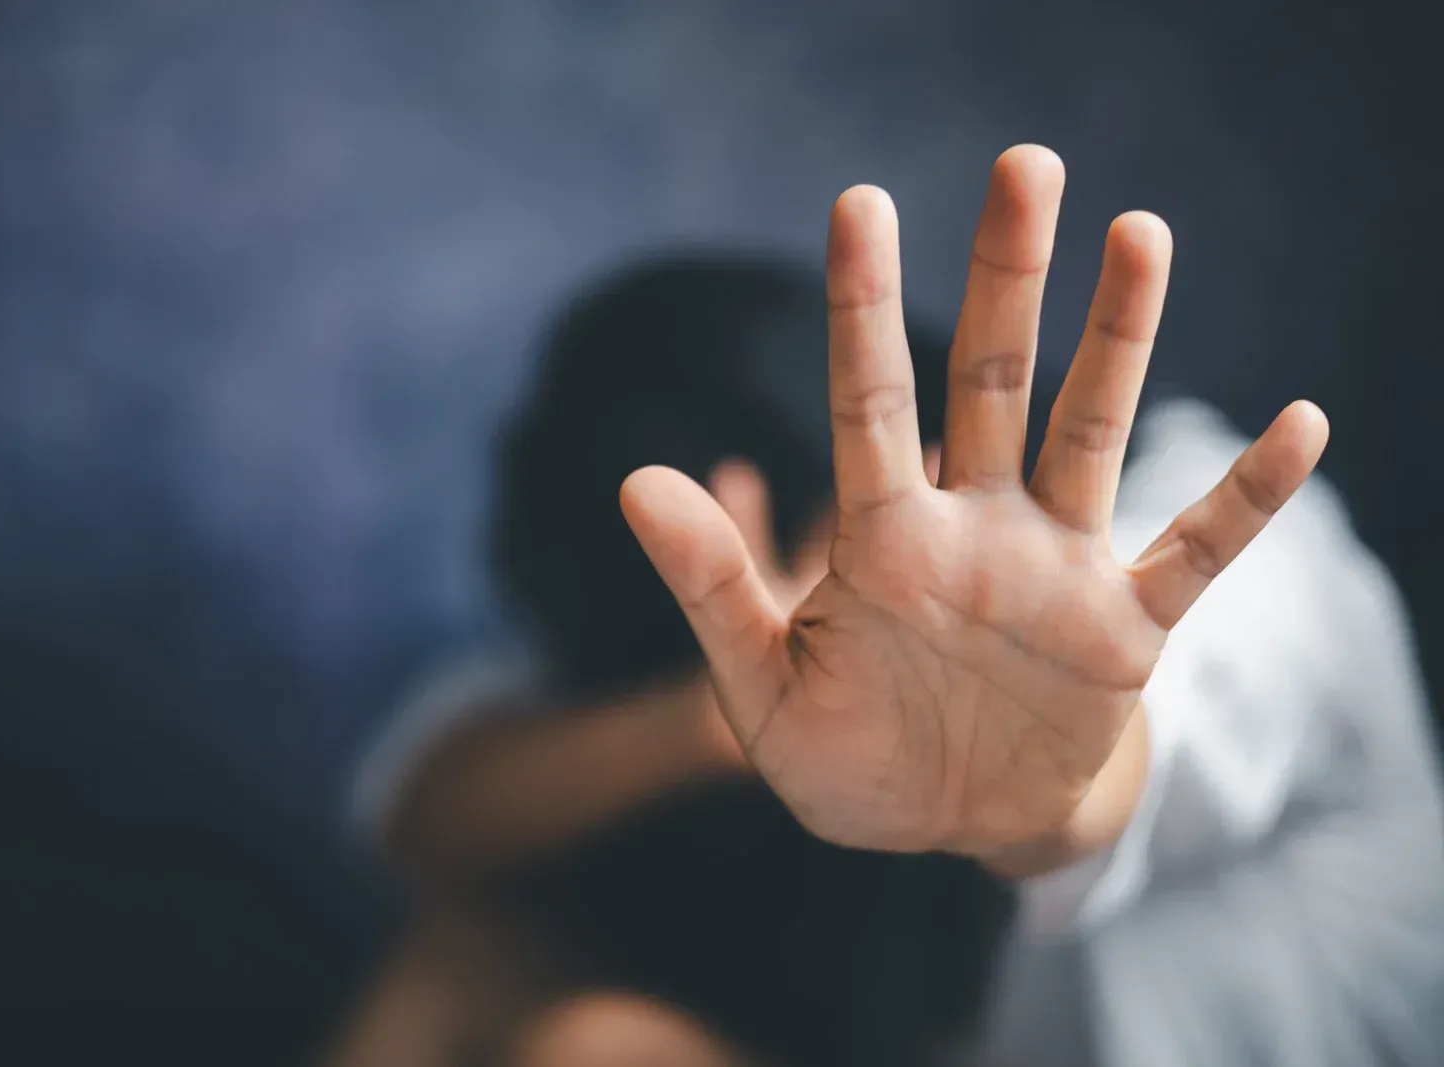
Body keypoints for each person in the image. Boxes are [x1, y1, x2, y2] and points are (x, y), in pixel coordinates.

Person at [333, 145, 1444, 1067]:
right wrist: (704, 716)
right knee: (485, 972)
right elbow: (428, 803)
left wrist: (1031, 792)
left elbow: (1158, 753)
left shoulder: (1212, 542)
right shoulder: (700, 637)